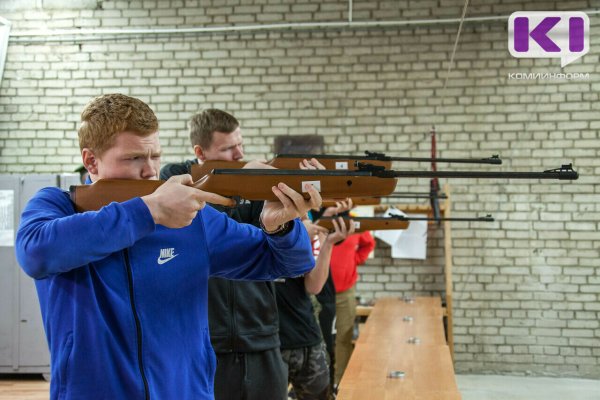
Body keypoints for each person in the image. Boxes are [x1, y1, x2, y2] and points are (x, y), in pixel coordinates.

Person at [15, 94, 321, 400]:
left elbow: (287, 263)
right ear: (91, 160)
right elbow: (35, 253)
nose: (150, 171)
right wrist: (147, 212)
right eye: (134, 158)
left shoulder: (191, 218)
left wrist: (277, 227)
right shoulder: (58, 205)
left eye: (155, 156)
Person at [161, 108, 315, 400]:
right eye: (228, 148)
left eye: (240, 144)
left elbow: (288, 254)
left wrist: (288, 197)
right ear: (199, 152)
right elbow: (197, 223)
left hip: (261, 333)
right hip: (206, 340)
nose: (238, 154)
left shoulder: (252, 183)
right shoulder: (174, 178)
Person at [277, 212, 354, 400]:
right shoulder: (255, 214)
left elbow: (314, 286)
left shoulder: (303, 217)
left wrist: (327, 244)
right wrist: (296, 237)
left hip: (304, 333)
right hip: (269, 339)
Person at [330, 228, 375, 386]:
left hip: (346, 290)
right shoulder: (318, 217)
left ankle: (340, 383)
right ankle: (322, 381)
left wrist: (355, 259)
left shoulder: (354, 224)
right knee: (320, 339)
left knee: (344, 336)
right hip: (320, 292)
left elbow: (369, 244)